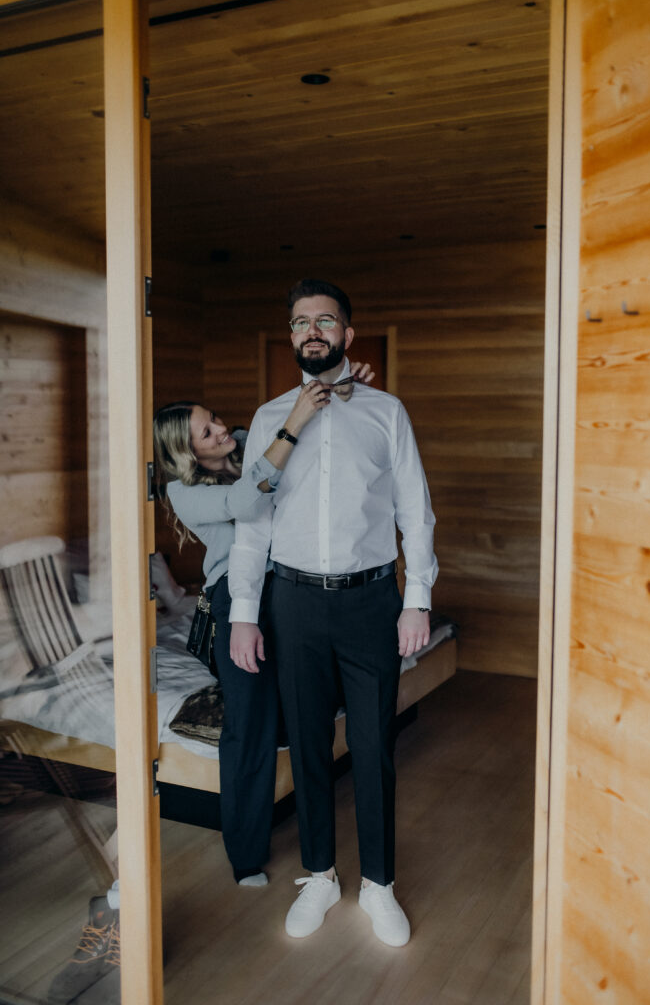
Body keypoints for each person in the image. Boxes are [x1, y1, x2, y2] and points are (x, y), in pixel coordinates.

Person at [229, 279, 437, 947]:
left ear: (347, 335)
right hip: (289, 601)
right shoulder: (267, 418)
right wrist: (242, 610)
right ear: (291, 337)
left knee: (373, 747)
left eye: (324, 321)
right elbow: (250, 519)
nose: (310, 331)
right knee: (310, 746)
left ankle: (378, 885)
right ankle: (318, 874)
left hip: (370, 600)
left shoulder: (385, 411)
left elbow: (415, 512)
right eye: (299, 323)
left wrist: (417, 599)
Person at [153, 380, 367, 886]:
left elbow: (322, 439)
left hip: (292, 589)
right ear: (187, 452)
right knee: (247, 726)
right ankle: (245, 855)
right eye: (208, 431)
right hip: (234, 602)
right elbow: (249, 502)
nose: (222, 429)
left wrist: (343, 384)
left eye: (216, 417)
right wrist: (293, 421)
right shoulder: (184, 493)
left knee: (318, 697)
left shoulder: (253, 439)